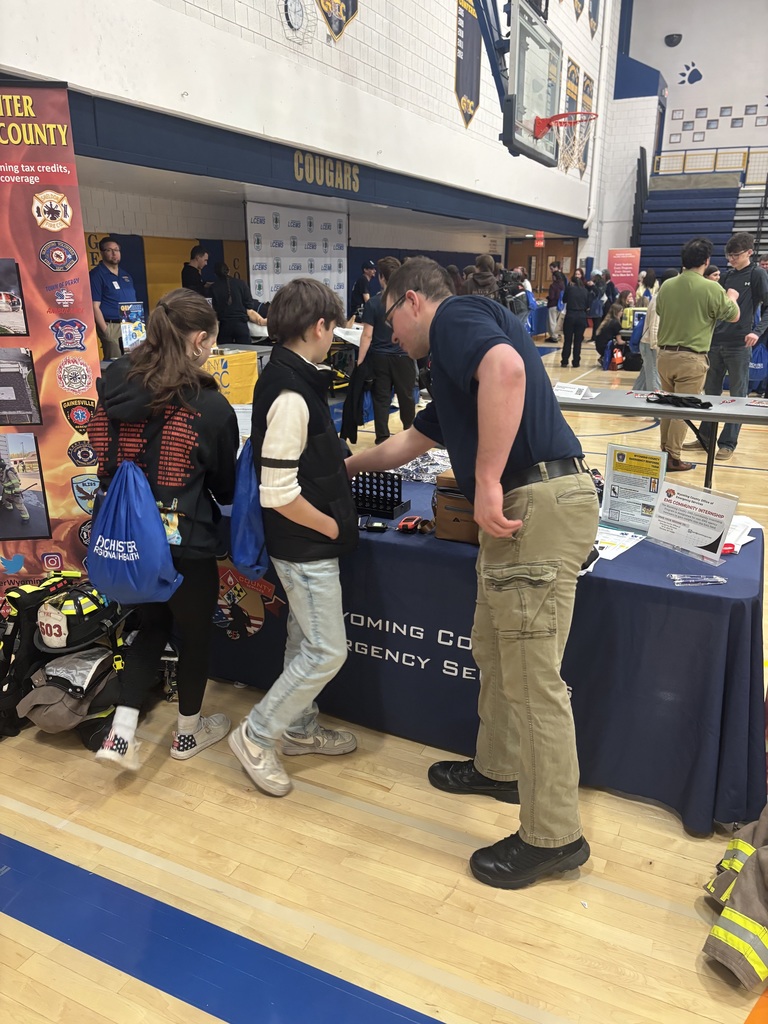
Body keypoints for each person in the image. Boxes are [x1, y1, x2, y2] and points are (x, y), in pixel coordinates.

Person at [345, 257, 598, 889]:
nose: (390, 335)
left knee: (532, 677)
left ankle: (554, 836)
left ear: (412, 301)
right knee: (494, 648)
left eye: (388, 320)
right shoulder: (452, 362)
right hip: (526, 508)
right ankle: (500, 767)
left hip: (533, 503)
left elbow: (507, 371)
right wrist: (343, 467)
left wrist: (486, 481)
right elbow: (411, 441)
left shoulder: (456, 316)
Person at [89, 288, 239, 770]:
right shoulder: (211, 409)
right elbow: (226, 487)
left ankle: (121, 732)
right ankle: (187, 736)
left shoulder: (110, 386)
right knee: (193, 638)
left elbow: (100, 458)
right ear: (199, 340)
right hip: (184, 546)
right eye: (212, 343)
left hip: (124, 541)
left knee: (148, 628)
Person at [229, 279, 358, 797]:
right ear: (317, 326)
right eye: (334, 326)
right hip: (304, 547)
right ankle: (256, 736)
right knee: (327, 651)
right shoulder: (288, 393)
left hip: (309, 543)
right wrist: (330, 526)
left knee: (305, 640)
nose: (337, 336)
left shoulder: (300, 379)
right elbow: (277, 492)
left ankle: (299, 728)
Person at [655, 237, 740, 471]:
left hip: (664, 356)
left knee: (667, 407)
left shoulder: (668, 285)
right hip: (691, 358)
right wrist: (732, 296)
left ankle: (664, 452)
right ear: (706, 261)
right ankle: (673, 456)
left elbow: (661, 311)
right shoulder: (711, 287)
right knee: (683, 410)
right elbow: (733, 316)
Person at [684, 233, 768, 460]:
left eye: (736, 255)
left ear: (749, 252)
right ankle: (706, 438)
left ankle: (728, 443)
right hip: (715, 342)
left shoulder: (758, 274)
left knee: (738, 395)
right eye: (728, 255)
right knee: (710, 393)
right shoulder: (728, 276)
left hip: (740, 344)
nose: (731, 259)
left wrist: (757, 331)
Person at [358, 257, 416, 444]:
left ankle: (382, 437)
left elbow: (367, 335)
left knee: (381, 398)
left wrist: (360, 362)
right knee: (406, 396)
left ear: (381, 277)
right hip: (403, 355)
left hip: (379, 357)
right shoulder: (407, 302)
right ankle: (409, 433)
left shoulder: (373, 303)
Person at [90, 236, 138, 359]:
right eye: (109, 250)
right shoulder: (97, 275)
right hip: (111, 325)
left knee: (136, 362)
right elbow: (94, 306)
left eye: (116, 250)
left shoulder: (125, 275)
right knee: (115, 364)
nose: (114, 253)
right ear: (102, 253)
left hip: (131, 322)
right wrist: (106, 331)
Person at [632, 268, 679, 392]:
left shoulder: (666, 297)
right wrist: (656, 345)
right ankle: (655, 405)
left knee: (645, 375)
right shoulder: (659, 299)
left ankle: (632, 400)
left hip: (651, 344)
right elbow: (655, 325)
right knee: (654, 376)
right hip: (651, 344)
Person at [209, 262, 267, 345]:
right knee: (246, 354)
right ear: (229, 271)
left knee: (226, 356)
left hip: (224, 327)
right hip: (241, 326)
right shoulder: (241, 284)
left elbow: (214, 309)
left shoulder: (213, 287)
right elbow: (249, 305)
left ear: (215, 274)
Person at [560, 270, 590, 368]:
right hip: (581, 316)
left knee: (568, 340)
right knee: (578, 341)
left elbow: (564, 300)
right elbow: (588, 305)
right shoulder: (585, 290)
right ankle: (576, 361)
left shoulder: (570, 289)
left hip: (570, 315)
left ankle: (564, 360)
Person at [347, 260, 377, 325]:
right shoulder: (363, 280)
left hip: (357, 313)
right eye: (371, 269)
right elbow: (367, 300)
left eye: (374, 268)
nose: (374, 271)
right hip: (358, 314)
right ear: (365, 270)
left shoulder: (362, 280)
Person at [545, 269, 565, 344]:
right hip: (560, 305)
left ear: (554, 277)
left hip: (553, 305)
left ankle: (554, 337)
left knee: (552, 321)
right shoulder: (562, 285)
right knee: (558, 322)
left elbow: (552, 296)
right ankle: (558, 335)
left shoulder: (553, 285)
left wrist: (547, 298)